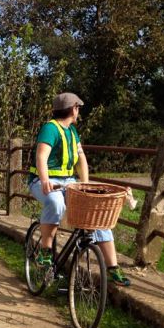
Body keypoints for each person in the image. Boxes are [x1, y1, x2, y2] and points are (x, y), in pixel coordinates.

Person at [28, 93, 130, 286]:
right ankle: (45, 252)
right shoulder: (50, 128)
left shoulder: (72, 131)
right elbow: (42, 156)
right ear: (73, 108)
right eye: (78, 108)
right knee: (55, 202)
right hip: (43, 181)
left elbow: (81, 158)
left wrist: (86, 185)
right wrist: (44, 180)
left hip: (68, 181)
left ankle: (113, 267)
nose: (78, 112)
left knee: (97, 212)